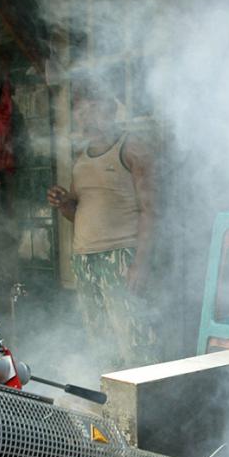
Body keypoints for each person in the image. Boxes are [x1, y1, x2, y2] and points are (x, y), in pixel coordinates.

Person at [46, 85, 159, 369]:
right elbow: (79, 212)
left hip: (121, 256)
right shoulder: (81, 160)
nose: (84, 118)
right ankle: (114, 407)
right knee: (100, 341)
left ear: (109, 110)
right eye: (79, 111)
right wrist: (63, 204)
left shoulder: (132, 150)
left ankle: (150, 406)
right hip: (85, 260)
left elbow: (150, 211)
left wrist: (140, 264)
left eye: (91, 109)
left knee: (135, 338)